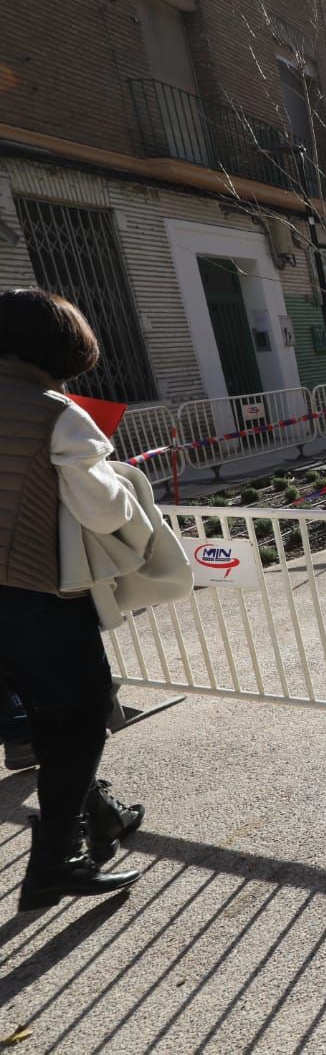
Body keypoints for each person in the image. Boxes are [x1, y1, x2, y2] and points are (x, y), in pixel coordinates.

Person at [0, 288, 144, 911]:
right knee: (81, 717)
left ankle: (101, 814)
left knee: (41, 712)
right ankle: (58, 859)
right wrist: (123, 482)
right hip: (33, 590)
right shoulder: (56, 412)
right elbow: (102, 508)